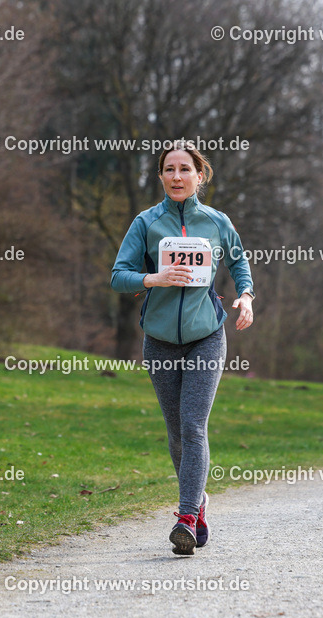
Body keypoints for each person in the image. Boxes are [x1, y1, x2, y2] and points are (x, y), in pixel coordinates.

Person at [111, 142, 254, 556]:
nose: (177, 176)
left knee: (193, 426)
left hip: (206, 335)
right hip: (159, 341)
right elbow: (119, 276)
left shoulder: (217, 222)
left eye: (185, 169)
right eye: (169, 169)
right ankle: (199, 501)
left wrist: (246, 297)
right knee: (176, 432)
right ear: (160, 176)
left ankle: (187, 517)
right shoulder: (146, 222)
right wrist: (154, 278)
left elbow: (239, 264)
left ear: (199, 176)